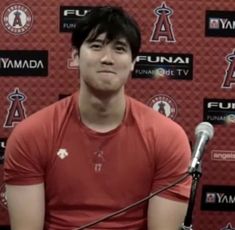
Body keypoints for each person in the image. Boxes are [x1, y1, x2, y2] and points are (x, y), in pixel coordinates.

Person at [3, 5, 192, 230]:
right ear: (75, 56)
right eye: (96, 46)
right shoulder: (31, 135)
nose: (107, 58)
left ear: (133, 62)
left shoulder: (167, 138)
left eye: (119, 48)